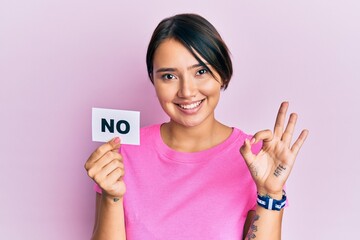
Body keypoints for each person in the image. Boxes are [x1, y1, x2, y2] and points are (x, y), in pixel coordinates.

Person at [84, 13, 308, 240]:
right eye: (169, 76)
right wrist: (111, 197)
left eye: (201, 72)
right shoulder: (123, 151)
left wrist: (269, 193)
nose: (187, 91)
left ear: (222, 73)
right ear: (153, 80)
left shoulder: (256, 157)